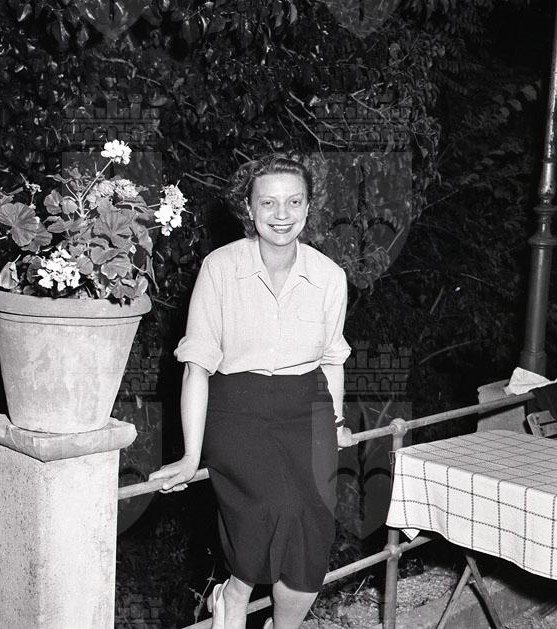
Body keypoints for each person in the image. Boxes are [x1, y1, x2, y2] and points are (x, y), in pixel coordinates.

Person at [148, 155, 352, 629]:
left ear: (309, 207)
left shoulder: (329, 276)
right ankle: (235, 592)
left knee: (313, 538)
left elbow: (332, 360)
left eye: (294, 202)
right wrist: (191, 455)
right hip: (236, 408)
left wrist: (339, 421)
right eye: (268, 203)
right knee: (274, 508)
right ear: (249, 207)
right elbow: (196, 366)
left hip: (309, 408)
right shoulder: (220, 268)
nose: (282, 215)